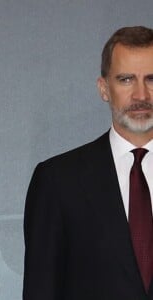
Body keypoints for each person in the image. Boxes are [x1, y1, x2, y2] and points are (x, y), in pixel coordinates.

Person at [23, 26, 153, 299]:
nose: (141, 95)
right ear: (104, 89)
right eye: (126, 79)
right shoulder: (57, 181)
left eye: (152, 79)